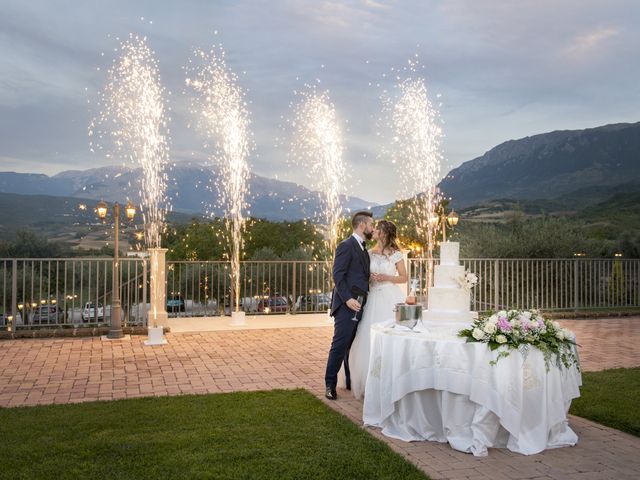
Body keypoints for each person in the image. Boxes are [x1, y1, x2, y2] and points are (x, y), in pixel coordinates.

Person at [347, 219, 407, 399]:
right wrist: (369, 279)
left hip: (390, 297)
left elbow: (403, 277)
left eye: (377, 229)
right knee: (367, 337)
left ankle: (391, 379)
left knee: (390, 336)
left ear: (384, 233)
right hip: (372, 296)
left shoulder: (396, 254)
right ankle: (369, 380)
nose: (373, 231)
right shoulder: (368, 252)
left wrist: (386, 277)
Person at [324, 211, 375, 400]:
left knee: (350, 345)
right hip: (347, 305)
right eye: (371, 224)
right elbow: (338, 275)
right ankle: (330, 384)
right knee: (339, 345)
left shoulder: (363, 248)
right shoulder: (346, 246)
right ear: (362, 225)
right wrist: (347, 299)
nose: (372, 228)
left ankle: (348, 379)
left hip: (360, 304)